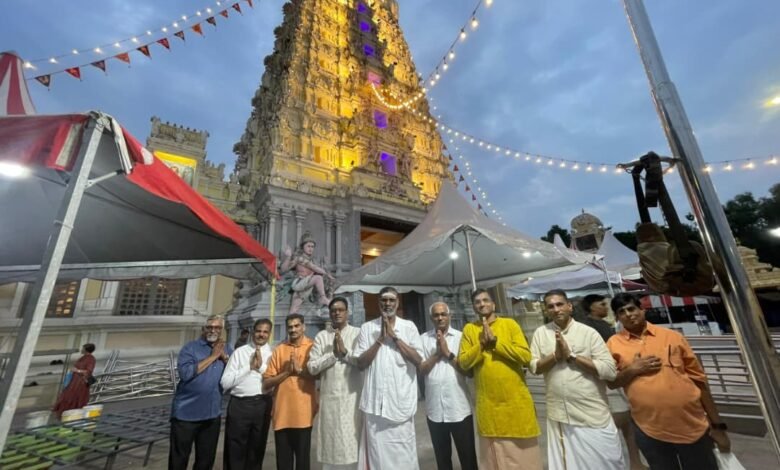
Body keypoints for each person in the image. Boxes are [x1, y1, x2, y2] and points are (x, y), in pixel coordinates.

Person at [607, 293, 730, 470]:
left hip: (692, 425)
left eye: (631, 309)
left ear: (642, 310)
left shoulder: (672, 337)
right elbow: (612, 382)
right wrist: (633, 369)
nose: (628, 314)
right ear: (617, 317)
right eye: (621, 312)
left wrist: (717, 426)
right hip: (648, 429)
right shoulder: (614, 344)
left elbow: (699, 381)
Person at [530, 290, 624, 470]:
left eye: (559, 304)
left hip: (591, 414)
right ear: (546, 310)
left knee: (605, 464)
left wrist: (572, 356)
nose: (556, 309)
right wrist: (555, 356)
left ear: (569, 306)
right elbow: (534, 367)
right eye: (551, 306)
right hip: (559, 415)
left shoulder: (588, 333)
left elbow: (609, 371)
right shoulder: (541, 333)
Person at [458, 288, 541, 470]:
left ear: (493, 304)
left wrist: (496, 343)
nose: (482, 304)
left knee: (522, 458)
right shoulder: (470, 329)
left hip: (515, 402)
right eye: (477, 302)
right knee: (493, 459)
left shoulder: (510, 325)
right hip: (489, 405)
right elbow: (463, 362)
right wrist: (481, 344)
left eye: (485, 300)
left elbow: (525, 356)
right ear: (474, 307)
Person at [352, 286, 423, 469]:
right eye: (384, 300)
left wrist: (396, 338)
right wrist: (380, 339)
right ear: (379, 303)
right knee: (377, 455)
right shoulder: (367, 328)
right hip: (375, 405)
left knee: (404, 452)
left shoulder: (409, 327)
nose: (387, 304)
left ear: (397, 303)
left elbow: (417, 360)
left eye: (391, 300)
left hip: (400, 402)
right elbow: (360, 363)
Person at [582, 293, 646, 469]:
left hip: (613, 377)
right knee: (618, 422)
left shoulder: (601, 325)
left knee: (627, 423)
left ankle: (635, 462)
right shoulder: (592, 327)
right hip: (607, 379)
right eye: (601, 304)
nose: (605, 307)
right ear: (591, 307)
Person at [418, 302, 478, 470]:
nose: (440, 318)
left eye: (443, 314)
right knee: (442, 460)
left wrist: (448, 353)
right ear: (431, 318)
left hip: (459, 408)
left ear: (450, 316)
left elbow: (469, 372)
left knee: (468, 458)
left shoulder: (461, 337)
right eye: (436, 315)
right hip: (435, 410)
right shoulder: (423, 339)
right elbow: (421, 370)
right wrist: (438, 354)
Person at [169, 315, 232, 470]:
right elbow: (185, 374)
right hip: (186, 414)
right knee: (179, 459)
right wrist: (213, 357)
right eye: (209, 327)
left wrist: (224, 357)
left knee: (206, 460)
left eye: (217, 327)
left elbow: (233, 373)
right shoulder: (190, 348)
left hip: (211, 415)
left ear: (222, 330)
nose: (213, 330)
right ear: (204, 329)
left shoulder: (227, 349)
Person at [307, 297, 362, 470]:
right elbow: (312, 367)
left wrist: (345, 353)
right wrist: (333, 355)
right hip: (330, 400)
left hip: (353, 399)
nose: (337, 313)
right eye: (333, 311)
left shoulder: (358, 333)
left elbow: (363, 362)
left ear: (347, 312)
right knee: (332, 447)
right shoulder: (322, 336)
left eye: (340, 310)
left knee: (354, 443)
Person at [263, 314, 318, 470]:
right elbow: (267, 383)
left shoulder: (313, 347)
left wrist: (299, 371)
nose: (293, 329)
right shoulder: (280, 349)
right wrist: (287, 372)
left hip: (304, 414)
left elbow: (318, 375)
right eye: (290, 327)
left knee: (302, 461)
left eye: (296, 326)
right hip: (282, 413)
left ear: (304, 327)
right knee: (283, 462)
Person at [221, 319, 274, 470]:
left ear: (269, 334)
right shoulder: (239, 352)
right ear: (252, 332)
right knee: (235, 448)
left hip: (262, 404)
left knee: (257, 448)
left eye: (265, 332)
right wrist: (248, 368)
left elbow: (274, 382)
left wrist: (260, 367)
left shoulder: (274, 354)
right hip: (240, 405)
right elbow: (225, 383)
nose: (261, 335)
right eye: (258, 331)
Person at [281, 231, 335, 314]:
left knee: (293, 311)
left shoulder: (313, 260)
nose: (311, 249)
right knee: (318, 278)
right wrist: (288, 257)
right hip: (300, 284)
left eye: (312, 247)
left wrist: (328, 275)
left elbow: (318, 269)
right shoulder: (298, 258)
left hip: (309, 286)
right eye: (308, 246)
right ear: (303, 247)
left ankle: (326, 300)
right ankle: (323, 298)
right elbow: (283, 270)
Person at [53, 343, 96, 418]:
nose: (81, 349)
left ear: (86, 350)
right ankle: (64, 413)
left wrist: (77, 370)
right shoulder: (83, 357)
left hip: (81, 382)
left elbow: (89, 371)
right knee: (67, 395)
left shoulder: (91, 359)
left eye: (83, 348)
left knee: (74, 396)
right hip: (74, 379)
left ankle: (73, 414)